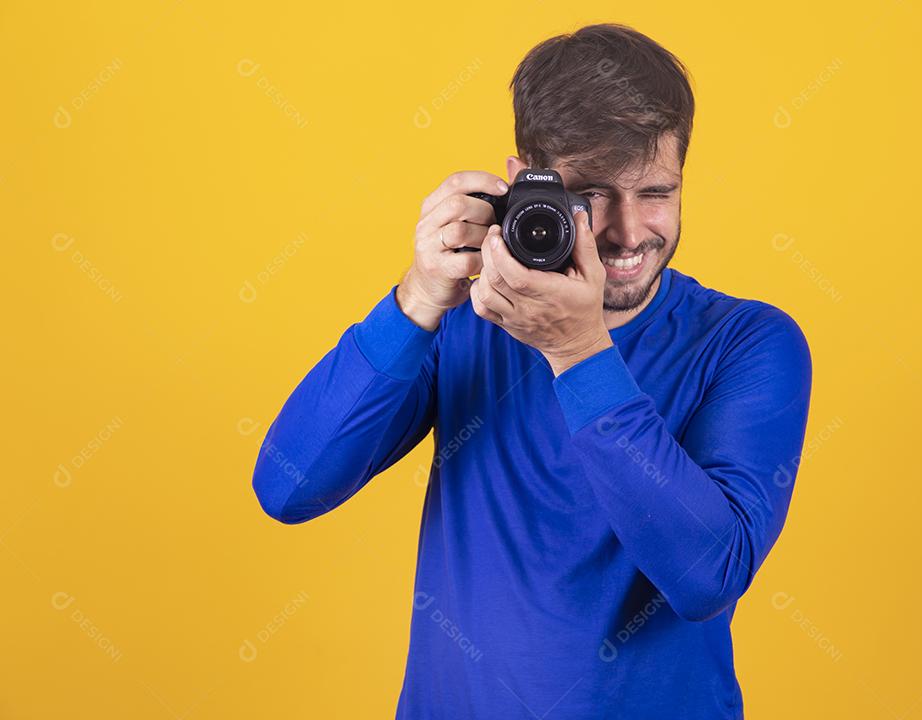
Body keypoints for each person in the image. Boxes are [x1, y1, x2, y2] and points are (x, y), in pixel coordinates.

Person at [253, 23, 813, 720]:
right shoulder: (468, 312)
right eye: (594, 194)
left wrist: (577, 352)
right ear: (527, 185)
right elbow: (288, 486)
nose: (630, 231)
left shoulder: (746, 343)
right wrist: (418, 299)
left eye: (657, 193)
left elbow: (706, 578)